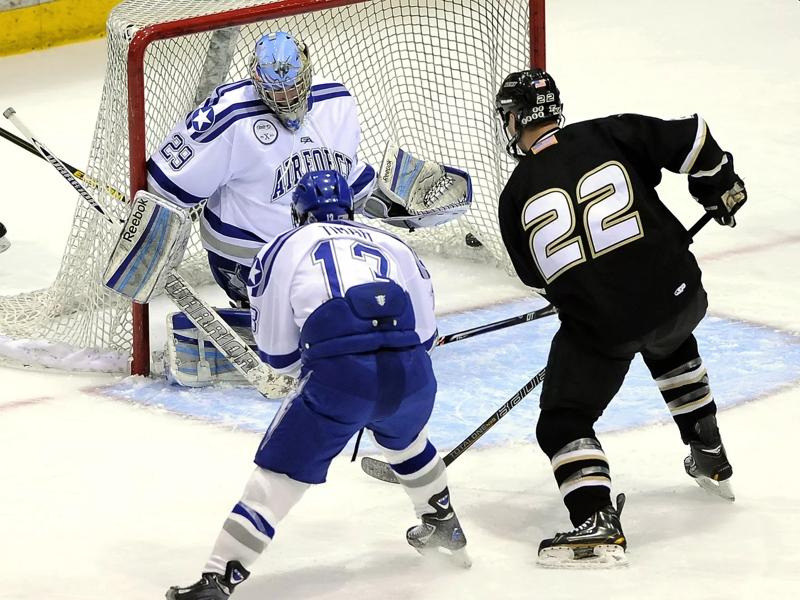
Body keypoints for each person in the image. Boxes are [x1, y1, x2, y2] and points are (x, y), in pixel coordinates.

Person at [166, 170, 470, 599]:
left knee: (279, 475)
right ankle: (444, 526)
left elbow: (277, 353)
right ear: (350, 209)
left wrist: (327, 371)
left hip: (339, 380)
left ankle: (218, 578)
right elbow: (425, 336)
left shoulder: (281, 246)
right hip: (413, 375)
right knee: (408, 440)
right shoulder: (394, 244)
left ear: (297, 213)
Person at [494, 69, 747, 566]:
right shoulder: (605, 132)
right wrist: (718, 185)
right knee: (669, 338)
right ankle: (708, 450)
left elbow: (538, 278)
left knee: (564, 419)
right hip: (680, 294)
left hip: (605, 328)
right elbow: (694, 139)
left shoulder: (513, 197)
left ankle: (595, 519)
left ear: (518, 118)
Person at [147, 31, 376, 307]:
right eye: (276, 91)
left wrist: (389, 199)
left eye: (293, 87)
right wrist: (150, 230)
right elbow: (163, 185)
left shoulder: (336, 100)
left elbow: (346, 173)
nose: (287, 99)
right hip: (247, 258)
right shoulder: (229, 116)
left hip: (324, 250)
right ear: (256, 82)